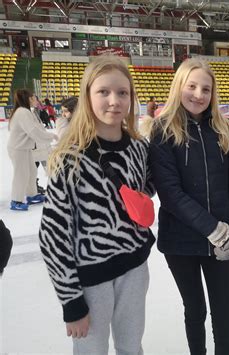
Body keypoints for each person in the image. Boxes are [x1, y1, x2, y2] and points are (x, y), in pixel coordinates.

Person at [39, 55, 155, 355]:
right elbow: (53, 234)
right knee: (91, 351)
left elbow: (144, 190)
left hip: (134, 270)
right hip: (91, 279)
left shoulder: (139, 148)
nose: (114, 101)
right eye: (103, 92)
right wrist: (71, 301)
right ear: (88, 96)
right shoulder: (70, 157)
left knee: (132, 347)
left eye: (122, 92)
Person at [147, 58, 229, 355]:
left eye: (206, 88)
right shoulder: (162, 130)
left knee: (223, 314)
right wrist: (215, 230)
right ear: (179, 86)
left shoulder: (225, 129)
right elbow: (171, 193)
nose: (198, 94)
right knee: (195, 310)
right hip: (181, 242)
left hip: (223, 241)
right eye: (192, 86)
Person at [7, 89, 56, 211]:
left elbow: (35, 130)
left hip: (25, 148)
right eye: (34, 98)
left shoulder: (25, 111)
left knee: (32, 171)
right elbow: (34, 132)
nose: (36, 100)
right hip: (19, 149)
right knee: (21, 174)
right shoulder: (23, 112)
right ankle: (16, 200)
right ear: (28, 99)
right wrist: (51, 136)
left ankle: (32, 195)